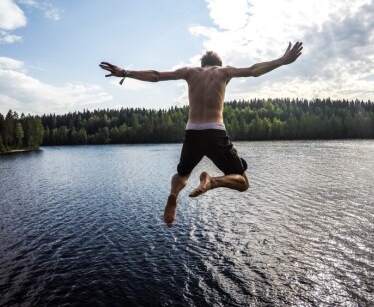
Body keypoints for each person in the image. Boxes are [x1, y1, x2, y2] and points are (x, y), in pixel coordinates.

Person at [100, 41, 303, 227]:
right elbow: (253, 71)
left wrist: (125, 72)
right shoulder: (224, 72)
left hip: (193, 132)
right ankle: (212, 181)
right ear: (218, 64)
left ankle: (173, 195)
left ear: (202, 63)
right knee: (243, 182)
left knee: (182, 174)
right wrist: (282, 61)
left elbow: (156, 76)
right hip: (215, 131)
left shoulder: (190, 72)